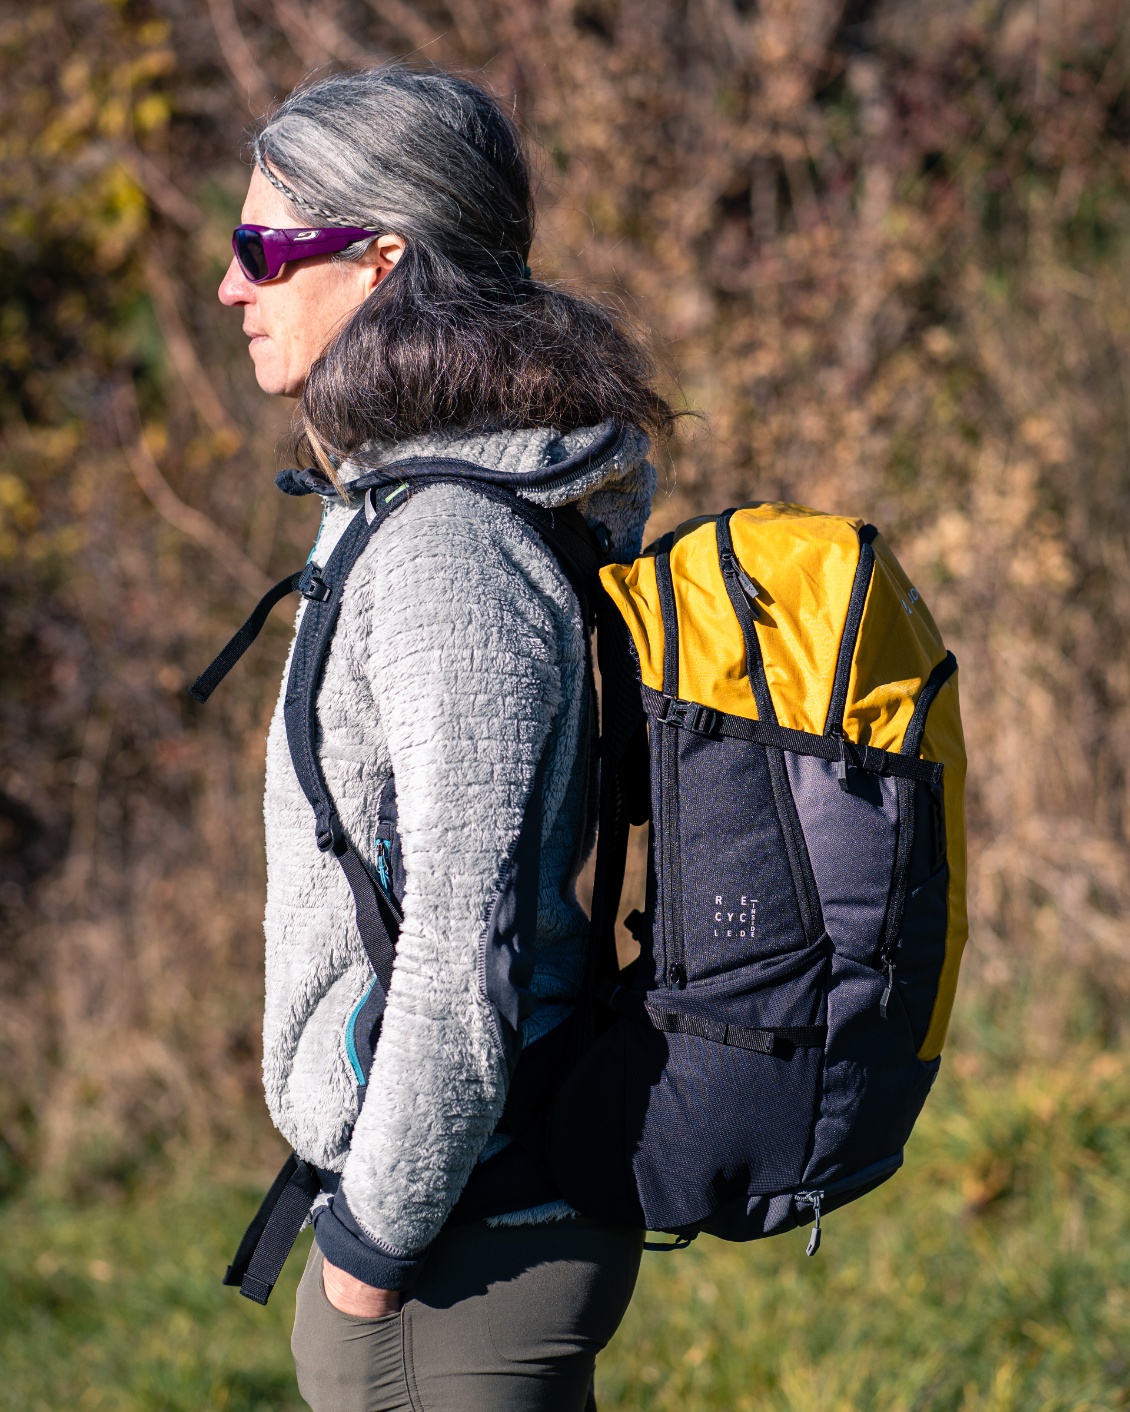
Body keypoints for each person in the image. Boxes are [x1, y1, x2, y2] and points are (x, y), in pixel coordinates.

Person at [217, 64, 674, 1412]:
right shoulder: (426, 510)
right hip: (467, 1226)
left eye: (260, 249)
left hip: (455, 1254)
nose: (232, 288)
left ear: (376, 264)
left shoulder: (448, 552)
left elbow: (462, 947)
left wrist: (368, 1247)